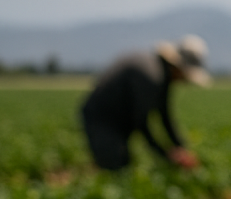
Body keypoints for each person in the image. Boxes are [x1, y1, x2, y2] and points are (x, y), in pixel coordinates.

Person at [80, 35, 210, 171]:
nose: (184, 81)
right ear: (178, 67)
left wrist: (181, 147)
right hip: (102, 120)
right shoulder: (151, 76)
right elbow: (141, 123)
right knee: (115, 166)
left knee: (123, 164)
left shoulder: (161, 73)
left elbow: (165, 115)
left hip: (119, 121)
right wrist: (167, 155)